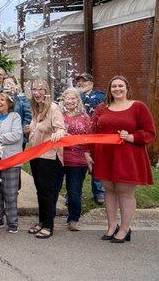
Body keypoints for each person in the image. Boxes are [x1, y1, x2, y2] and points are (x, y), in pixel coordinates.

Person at [88, 76, 156, 243]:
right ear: (109, 90)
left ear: (127, 88)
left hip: (128, 156)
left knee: (125, 192)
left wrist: (132, 137)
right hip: (105, 155)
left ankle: (125, 228)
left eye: (120, 86)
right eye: (113, 86)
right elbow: (93, 131)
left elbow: (150, 132)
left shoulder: (138, 107)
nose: (117, 89)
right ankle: (111, 226)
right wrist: (88, 152)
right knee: (109, 190)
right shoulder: (102, 108)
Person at [26, 79, 66, 239]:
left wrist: (58, 133)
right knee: (40, 191)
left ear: (46, 90)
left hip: (49, 157)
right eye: (34, 89)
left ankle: (48, 225)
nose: (37, 92)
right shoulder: (37, 108)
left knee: (47, 192)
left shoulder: (54, 108)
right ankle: (42, 221)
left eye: (40, 89)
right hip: (35, 156)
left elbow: (61, 128)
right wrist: (29, 130)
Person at [55, 88, 91, 231]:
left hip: (78, 160)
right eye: (66, 98)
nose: (69, 101)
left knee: (74, 191)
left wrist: (71, 139)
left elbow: (89, 139)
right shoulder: (57, 115)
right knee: (53, 189)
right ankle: (47, 218)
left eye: (73, 98)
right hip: (58, 158)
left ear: (78, 100)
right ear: (62, 100)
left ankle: (74, 219)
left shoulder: (85, 117)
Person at [0, 92, 23, 234]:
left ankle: (12, 222)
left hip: (11, 160)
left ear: (9, 103)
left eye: (2, 99)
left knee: (10, 193)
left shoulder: (14, 117)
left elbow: (17, 135)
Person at [75, 72, 107, 205]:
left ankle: (99, 192)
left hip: (95, 134)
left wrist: (79, 95)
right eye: (79, 81)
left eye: (84, 81)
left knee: (96, 161)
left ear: (92, 83)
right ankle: (75, 192)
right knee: (77, 164)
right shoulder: (75, 95)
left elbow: (94, 102)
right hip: (78, 134)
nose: (81, 83)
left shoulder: (99, 95)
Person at [2, 76, 32, 148]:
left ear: (16, 85)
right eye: (5, 83)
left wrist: (21, 131)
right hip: (3, 135)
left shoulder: (21, 98)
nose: (8, 85)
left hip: (18, 136)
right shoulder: (0, 98)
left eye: (10, 83)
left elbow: (28, 115)